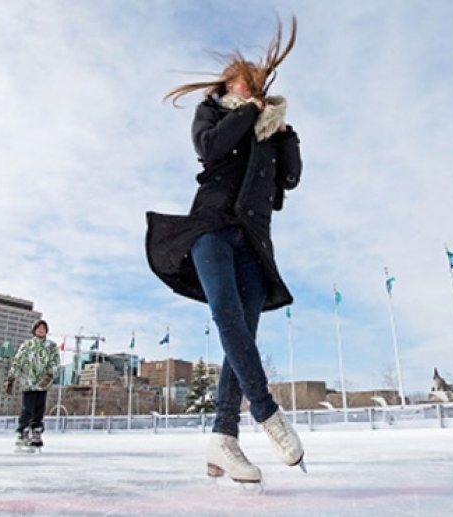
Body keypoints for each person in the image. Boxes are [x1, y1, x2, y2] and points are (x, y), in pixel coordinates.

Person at [145, 17, 304, 484]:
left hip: (254, 242)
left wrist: (285, 134)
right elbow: (210, 149)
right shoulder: (214, 112)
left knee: (244, 341)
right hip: (211, 228)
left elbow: (288, 180)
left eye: (257, 86)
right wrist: (246, 113)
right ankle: (268, 413)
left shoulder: (272, 130)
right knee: (228, 318)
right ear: (230, 83)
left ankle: (222, 439)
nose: (252, 89)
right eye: (245, 82)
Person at [5, 319, 60, 449]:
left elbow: (55, 362)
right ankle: (23, 431)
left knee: (39, 409)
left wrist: (50, 374)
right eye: (38, 328)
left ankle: (36, 431)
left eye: (43, 328)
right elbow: (18, 361)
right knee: (27, 408)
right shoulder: (27, 345)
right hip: (28, 382)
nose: (41, 330)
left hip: (43, 383)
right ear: (34, 330)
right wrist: (11, 378)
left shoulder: (51, 346)